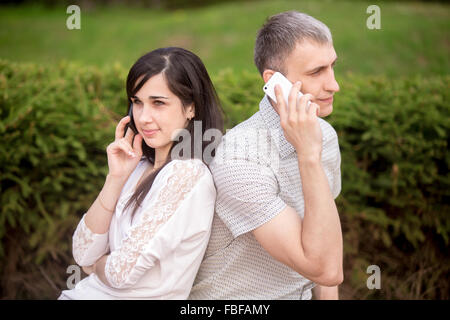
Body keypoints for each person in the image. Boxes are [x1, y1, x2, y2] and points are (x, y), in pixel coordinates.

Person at [189, 11, 343, 300]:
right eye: (316, 72)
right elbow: (324, 269)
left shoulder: (326, 136)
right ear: (274, 82)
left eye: (332, 67)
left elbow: (326, 237)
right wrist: (309, 155)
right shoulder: (239, 158)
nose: (334, 85)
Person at [58, 47, 223, 299]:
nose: (143, 117)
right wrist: (116, 178)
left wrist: (96, 266)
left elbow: (119, 273)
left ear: (191, 107)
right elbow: (82, 252)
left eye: (158, 103)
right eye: (137, 102)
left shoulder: (188, 174)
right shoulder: (139, 166)